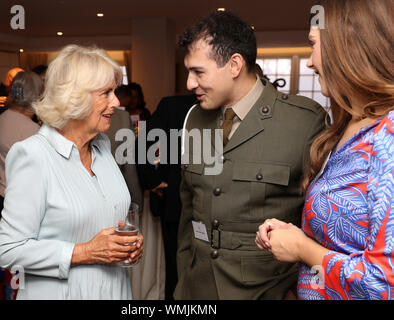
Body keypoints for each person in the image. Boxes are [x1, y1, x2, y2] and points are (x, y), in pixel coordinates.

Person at [174, 11, 326, 300]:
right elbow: (187, 213)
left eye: (198, 72)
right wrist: (183, 281)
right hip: (197, 291)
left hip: (266, 291)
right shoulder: (195, 119)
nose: (189, 84)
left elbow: (321, 224)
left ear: (234, 65)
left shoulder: (303, 121)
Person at [255, 0, 394, 300]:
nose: (308, 61)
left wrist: (302, 249)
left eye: (312, 45)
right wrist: (296, 237)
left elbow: (384, 283)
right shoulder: (348, 124)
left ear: (347, 46)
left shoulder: (388, 136)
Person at [0, 44, 144, 300]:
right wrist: (86, 251)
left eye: (115, 92)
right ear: (75, 98)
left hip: (114, 289)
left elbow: (107, 218)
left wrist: (126, 245)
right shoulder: (33, 156)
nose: (117, 102)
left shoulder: (102, 145)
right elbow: (9, 250)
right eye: (106, 93)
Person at [0, 71, 43, 299]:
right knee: (20, 279)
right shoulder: (32, 131)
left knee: (3, 274)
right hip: (18, 209)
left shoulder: (2, 118)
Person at [136, 94, 197, 300]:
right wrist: (152, 180)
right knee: (176, 270)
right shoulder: (174, 106)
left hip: (227, 213)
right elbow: (142, 144)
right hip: (178, 204)